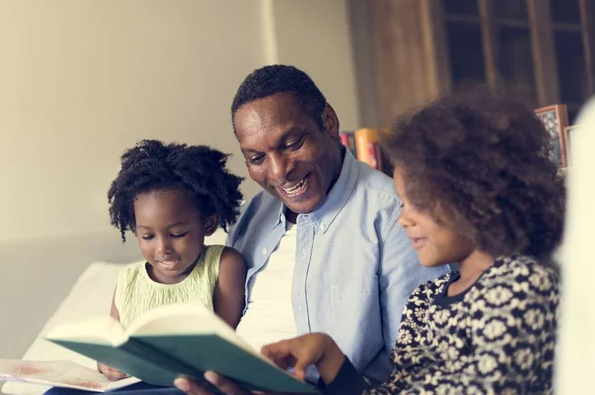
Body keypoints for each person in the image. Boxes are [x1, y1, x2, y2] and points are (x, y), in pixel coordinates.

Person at [175, 88, 565, 394]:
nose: (402, 215)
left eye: (418, 203)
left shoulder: (522, 286)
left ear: (477, 194)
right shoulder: (427, 298)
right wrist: (328, 356)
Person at [98, 139, 247, 381]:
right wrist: (107, 363)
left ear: (208, 224)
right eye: (147, 236)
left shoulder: (224, 265)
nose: (163, 248)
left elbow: (221, 348)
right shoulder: (128, 280)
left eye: (177, 234)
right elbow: (111, 347)